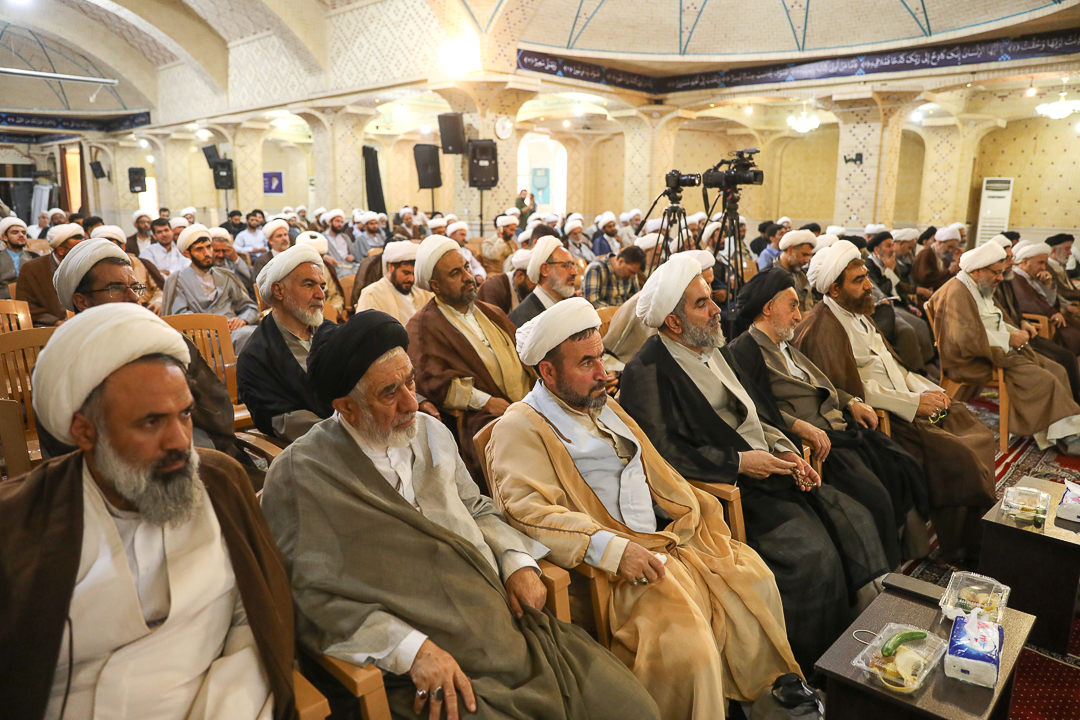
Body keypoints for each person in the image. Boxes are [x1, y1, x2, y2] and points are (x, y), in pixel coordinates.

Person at [260, 310, 660, 720]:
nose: (411, 403)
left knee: (634, 709)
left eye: (411, 382)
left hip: (505, 622)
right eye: (389, 392)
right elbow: (309, 597)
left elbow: (477, 507)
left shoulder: (430, 431)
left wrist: (517, 562)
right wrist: (411, 650)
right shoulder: (300, 475)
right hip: (421, 663)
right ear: (346, 407)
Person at [487, 298, 802, 717]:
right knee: (688, 653)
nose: (602, 374)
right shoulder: (519, 426)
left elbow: (660, 473)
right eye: (586, 364)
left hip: (662, 542)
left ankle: (753, 705)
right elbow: (527, 512)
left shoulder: (603, 405)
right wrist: (615, 551)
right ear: (548, 372)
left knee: (755, 579)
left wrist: (691, 514)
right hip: (607, 574)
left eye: (600, 358)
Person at [0, 303, 296, 720]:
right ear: (84, 431)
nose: (179, 442)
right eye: (150, 422)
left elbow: (257, 616)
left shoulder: (220, 482)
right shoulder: (19, 524)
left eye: (185, 415)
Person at [617, 258, 888, 675]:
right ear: (672, 322)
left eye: (711, 299)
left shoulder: (715, 347)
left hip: (770, 469)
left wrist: (785, 451)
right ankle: (815, 668)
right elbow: (664, 452)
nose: (717, 310)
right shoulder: (646, 369)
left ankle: (860, 635)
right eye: (702, 304)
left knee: (855, 517)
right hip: (728, 491)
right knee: (811, 555)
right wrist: (741, 462)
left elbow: (760, 413)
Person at [794, 241, 997, 563]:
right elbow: (850, 391)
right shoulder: (824, 328)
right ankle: (964, 548)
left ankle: (979, 533)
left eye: (866, 276)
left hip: (909, 402)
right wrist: (914, 403)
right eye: (859, 280)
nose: (869, 285)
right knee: (960, 457)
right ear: (834, 289)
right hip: (888, 419)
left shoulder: (858, 314)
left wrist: (928, 390)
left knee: (974, 429)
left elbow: (894, 365)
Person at [728, 268, 931, 569]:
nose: (799, 316)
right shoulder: (744, 351)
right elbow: (756, 410)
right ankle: (885, 574)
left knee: (902, 466)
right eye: (792, 306)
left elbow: (819, 384)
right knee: (874, 498)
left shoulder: (785, 344)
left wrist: (851, 402)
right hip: (816, 445)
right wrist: (801, 426)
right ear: (768, 308)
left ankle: (907, 553)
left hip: (839, 428)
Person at [928, 241, 1080, 455]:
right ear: (978, 270)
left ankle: (1058, 432)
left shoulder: (979, 286)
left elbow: (996, 318)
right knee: (1043, 379)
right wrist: (1008, 339)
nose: (1001, 278)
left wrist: (1015, 332)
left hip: (992, 349)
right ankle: (1067, 438)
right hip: (973, 359)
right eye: (996, 272)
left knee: (1058, 369)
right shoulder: (957, 293)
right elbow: (965, 338)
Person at [406, 235, 533, 485]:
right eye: (455, 273)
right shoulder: (423, 326)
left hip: (527, 403)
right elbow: (434, 382)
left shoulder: (490, 311)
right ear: (436, 285)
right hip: (480, 416)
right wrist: (488, 402)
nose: (468, 277)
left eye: (466, 267)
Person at [238, 244, 335, 441]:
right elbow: (286, 422)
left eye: (322, 286)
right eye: (309, 285)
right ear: (279, 291)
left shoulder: (334, 334)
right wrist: (353, 429)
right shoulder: (256, 357)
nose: (320, 294)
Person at [991, 235, 1080, 401]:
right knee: (1059, 360)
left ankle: (1072, 401)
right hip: (1008, 339)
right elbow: (1026, 305)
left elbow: (1016, 309)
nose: (1012, 262)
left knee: (1065, 357)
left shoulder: (1007, 279)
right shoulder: (1007, 279)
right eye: (1008, 259)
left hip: (1021, 331)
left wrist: (1023, 321)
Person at [162, 224, 259, 349]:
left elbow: (250, 307)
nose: (207, 253)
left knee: (254, 334)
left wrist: (242, 319)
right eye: (199, 249)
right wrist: (214, 325)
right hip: (200, 338)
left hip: (233, 332)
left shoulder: (226, 276)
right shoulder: (177, 280)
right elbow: (179, 317)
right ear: (187, 253)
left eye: (209, 247)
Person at [1010, 241, 1080, 356]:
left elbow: (1050, 302)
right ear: (1025, 261)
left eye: (1045, 264)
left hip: (1051, 317)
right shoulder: (1016, 278)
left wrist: (1048, 286)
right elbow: (1028, 303)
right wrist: (1052, 312)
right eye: (1040, 263)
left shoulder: (1032, 278)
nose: (1043, 268)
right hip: (1040, 320)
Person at [18, 222, 84, 326]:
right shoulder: (32, 269)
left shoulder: (85, 267)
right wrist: (56, 322)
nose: (82, 253)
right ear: (61, 250)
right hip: (47, 326)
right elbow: (26, 306)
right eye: (77, 249)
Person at [89, 225, 163, 314]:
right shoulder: (91, 270)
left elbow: (158, 289)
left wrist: (157, 302)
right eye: (102, 248)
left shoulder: (141, 264)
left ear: (123, 246)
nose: (107, 251)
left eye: (111, 246)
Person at [356, 240, 432, 326]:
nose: (411, 279)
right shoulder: (372, 294)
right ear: (391, 267)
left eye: (414, 274)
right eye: (406, 273)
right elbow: (368, 329)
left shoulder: (422, 292)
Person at [508, 235, 578, 326]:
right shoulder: (524, 318)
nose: (574, 272)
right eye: (566, 265)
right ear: (545, 270)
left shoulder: (567, 305)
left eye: (573, 265)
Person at [475, 249, 533, 315]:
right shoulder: (493, 289)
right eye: (534, 280)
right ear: (520, 276)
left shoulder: (525, 290)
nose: (538, 285)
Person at [772, 229, 816, 312]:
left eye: (809, 256)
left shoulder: (802, 274)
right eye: (804, 255)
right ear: (790, 250)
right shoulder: (770, 277)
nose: (807, 260)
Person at [210, 226, 256, 299]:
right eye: (216, 251)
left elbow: (251, 280)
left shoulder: (231, 263)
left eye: (224, 251)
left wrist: (235, 258)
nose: (221, 255)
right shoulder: (203, 266)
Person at [0, 216, 38, 299]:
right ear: (4, 237)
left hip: (29, 301)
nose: (21, 235)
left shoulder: (35, 257)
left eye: (23, 233)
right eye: (15, 232)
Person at [912, 226, 960, 291]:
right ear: (939, 243)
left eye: (953, 248)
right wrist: (948, 271)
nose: (950, 250)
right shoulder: (925, 254)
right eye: (949, 247)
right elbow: (924, 279)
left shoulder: (945, 260)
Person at [320, 209, 359, 277]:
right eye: (337, 221)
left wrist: (352, 257)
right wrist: (325, 257)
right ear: (330, 222)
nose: (340, 224)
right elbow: (316, 255)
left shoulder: (345, 237)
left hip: (349, 265)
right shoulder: (322, 238)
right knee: (347, 274)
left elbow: (355, 255)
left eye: (341, 222)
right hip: (334, 268)